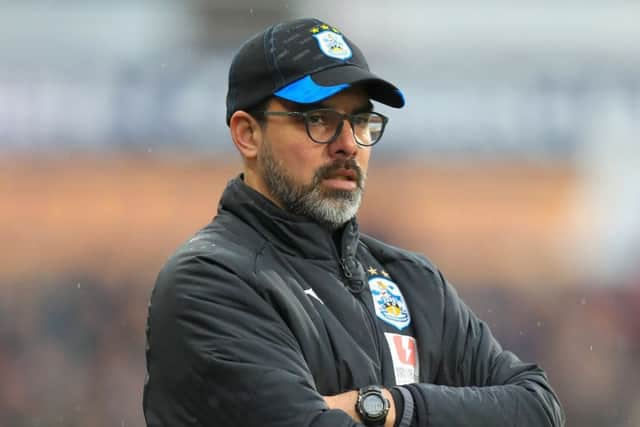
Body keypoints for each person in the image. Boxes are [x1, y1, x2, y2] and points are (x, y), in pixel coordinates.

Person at [143, 18, 565, 427]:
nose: (348, 144)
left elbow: (538, 408)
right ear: (247, 134)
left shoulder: (413, 282)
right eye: (319, 120)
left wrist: (391, 405)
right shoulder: (209, 282)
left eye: (361, 121)